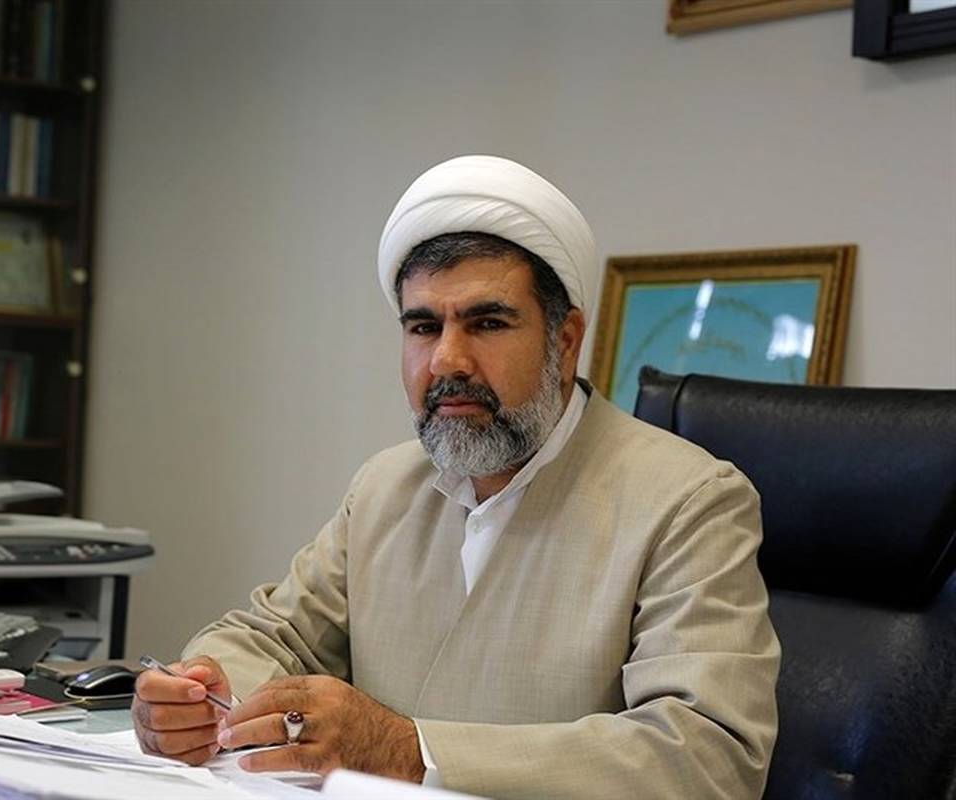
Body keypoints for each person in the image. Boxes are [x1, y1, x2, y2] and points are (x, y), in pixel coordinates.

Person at [131, 155, 780, 799]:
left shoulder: (688, 501)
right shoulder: (385, 487)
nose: (447, 360)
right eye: (423, 326)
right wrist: (199, 692)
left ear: (564, 342)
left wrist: (412, 752)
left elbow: (709, 758)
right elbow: (275, 637)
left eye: (487, 323)